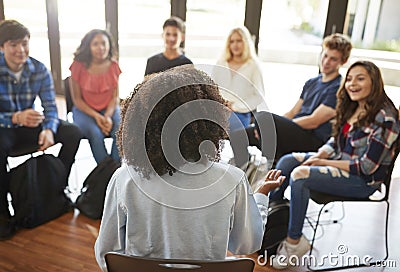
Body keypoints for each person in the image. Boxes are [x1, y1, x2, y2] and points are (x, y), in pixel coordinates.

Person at [94, 65, 284, 271]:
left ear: (141, 124)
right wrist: (261, 196)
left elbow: (106, 255)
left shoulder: (126, 178)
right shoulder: (231, 180)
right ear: (209, 118)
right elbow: (247, 244)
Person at [269, 60, 400, 269]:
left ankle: (294, 243)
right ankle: (269, 219)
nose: (352, 84)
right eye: (349, 79)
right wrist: (319, 155)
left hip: (362, 181)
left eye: (360, 78)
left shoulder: (385, 118)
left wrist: (321, 161)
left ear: (374, 82)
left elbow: (366, 167)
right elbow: (335, 141)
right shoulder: (354, 108)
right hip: (339, 162)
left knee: (300, 175)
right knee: (287, 161)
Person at [0, 20, 82, 240]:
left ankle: (56, 188)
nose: (21, 50)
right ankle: (3, 212)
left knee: (73, 133)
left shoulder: (38, 69)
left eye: (24, 43)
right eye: (13, 45)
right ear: (2, 47)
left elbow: (50, 108)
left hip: (31, 124)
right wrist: (15, 117)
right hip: (4, 126)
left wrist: (48, 129)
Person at [229, 33, 352, 167]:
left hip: (312, 139)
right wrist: (271, 127)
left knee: (262, 117)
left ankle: (274, 163)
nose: (326, 61)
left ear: (343, 61)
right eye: (325, 55)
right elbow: (293, 112)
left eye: (333, 59)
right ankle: (243, 170)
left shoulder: (338, 87)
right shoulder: (312, 82)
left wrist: (275, 127)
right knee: (237, 136)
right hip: (295, 130)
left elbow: (314, 121)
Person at [69, 29, 121, 164]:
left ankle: (114, 168)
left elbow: (115, 98)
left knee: (121, 129)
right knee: (95, 133)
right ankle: (105, 172)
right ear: (88, 47)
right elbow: (77, 100)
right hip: (84, 110)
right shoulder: (77, 66)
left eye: (104, 43)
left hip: (108, 110)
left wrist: (107, 117)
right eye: (95, 44)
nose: (101, 48)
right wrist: (98, 117)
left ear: (109, 45)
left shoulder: (114, 65)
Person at [212, 26, 264, 132]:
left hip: (240, 114)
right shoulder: (221, 63)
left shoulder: (253, 66)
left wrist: (235, 106)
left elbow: (258, 96)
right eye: (232, 41)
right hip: (219, 110)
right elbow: (211, 87)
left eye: (239, 41)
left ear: (245, 42)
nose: (235, 45)